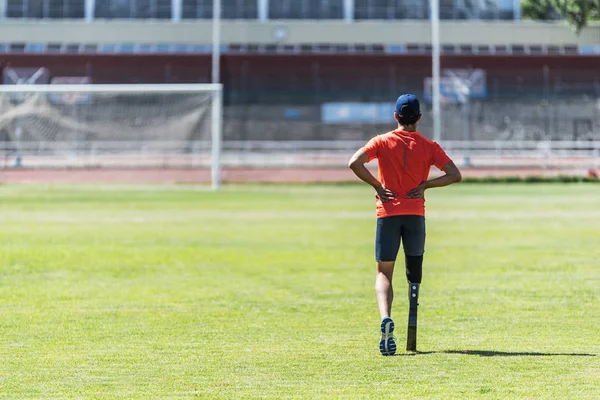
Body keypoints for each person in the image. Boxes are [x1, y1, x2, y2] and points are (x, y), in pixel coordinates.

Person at [348, 94, 462, 356]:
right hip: (415, 216)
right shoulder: (429, 146)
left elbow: (354, 162)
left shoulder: (382, 141)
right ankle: (412, 323)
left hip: (387, 213)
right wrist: (425, 185)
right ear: (419, 118)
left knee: (384, 273)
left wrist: (378, 186)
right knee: (414, 273)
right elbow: (455, 174)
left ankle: (386, 318)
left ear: (396, 116)